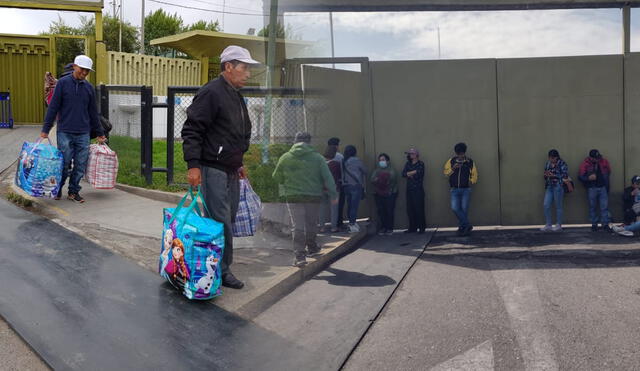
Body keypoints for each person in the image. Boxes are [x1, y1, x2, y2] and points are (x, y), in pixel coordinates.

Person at [181, 45, 260, 289]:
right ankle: (221, 271)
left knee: (229, 216)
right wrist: (194, 166)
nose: (248, 74)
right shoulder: (211, 92)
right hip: (212, 167)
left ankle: (214, 263)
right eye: (244, 68)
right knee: (220, 220)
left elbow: (237, 131)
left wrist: (239, 162)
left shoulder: (235, 94)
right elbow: (192, 130)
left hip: (230, 168)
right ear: (228, 67)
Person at [40, 55, 106, 203]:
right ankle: (57, 189)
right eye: (82, 69)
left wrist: (100, 133)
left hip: (83, 132)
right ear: (75, 66)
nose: (84, 73)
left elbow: (93, 113)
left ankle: (73, 192)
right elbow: (53, 107)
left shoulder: (89, 88)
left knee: (80, 165)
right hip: (65, 131)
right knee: (64, 163)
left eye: (87, 71)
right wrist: (45, 129)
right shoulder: (62, 84)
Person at [272, 132, 338, 267]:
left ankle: (300, 256)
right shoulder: (318, 158)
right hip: (313, 196)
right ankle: (312, 248)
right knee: (311, 223)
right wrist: (333, 195)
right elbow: (328, 178)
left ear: (295, 142)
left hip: (293, 196)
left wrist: (287, 181)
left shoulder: (286, 157)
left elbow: (276, 177)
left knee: (297, 226)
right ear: (309, 143)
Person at [444, 142, 478, 236]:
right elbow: (446, 173)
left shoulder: (469, 161)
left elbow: (474, 173)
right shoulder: (451, 161)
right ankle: (467, 225)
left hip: (466, 189)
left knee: (464, 210)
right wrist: (453, 168)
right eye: (459, 154)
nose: (460, 155)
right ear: (456, 153)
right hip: (454, 189)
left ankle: (463, 228)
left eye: (462, 153)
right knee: (455, 208)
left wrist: (472, 180)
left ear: (464, 152)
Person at [578, 149, 611, 232]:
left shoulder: (604, 161)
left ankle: (605, 224)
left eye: (598, 157)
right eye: (595, 158)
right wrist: (588, 178)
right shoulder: (585, 164)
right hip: (592, 188)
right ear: (591, 158)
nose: (597, 159)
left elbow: (609, 171)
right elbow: (580, 176)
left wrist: (606, 185)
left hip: (603, 187)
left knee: (604, 207)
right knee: (592, 207)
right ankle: (594, 224)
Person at [541, 149, 569, 232]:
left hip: (558, 186)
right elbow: (545, 174)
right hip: (549, 186)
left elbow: (565, 175)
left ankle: (558, 224)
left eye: (553, 158)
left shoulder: (562, 164)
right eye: (550, 158)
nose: (551, 159)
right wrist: (546, 175)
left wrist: (554, 175)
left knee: (558, 206)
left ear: (557, 157)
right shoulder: (548, 164)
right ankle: (548, 224)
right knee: (546, 204)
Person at [342, 145, 367, 233]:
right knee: (354, 206)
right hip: (356, 185)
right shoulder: (356, 160)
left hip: (346, 186)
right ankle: (353, 224)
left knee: (349, 205)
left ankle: (351, 223)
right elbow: (365, 170)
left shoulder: (343, 160)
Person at [372, 153, 398, 235]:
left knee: (389, 211)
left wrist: (380, 179)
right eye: (380, 160)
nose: (381, 162)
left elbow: (392, 180)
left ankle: (390, 228)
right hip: (379, 193)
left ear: (387, 161)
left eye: (383, 160)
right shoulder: (376, 170)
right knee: (381, 211)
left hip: (390, 193)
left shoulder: (392, 170)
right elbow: (372, 180)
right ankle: (383, 228)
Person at [402, 148, 426, 234]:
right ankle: (412, 227)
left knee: (419, 209)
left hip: (418, 190)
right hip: (409, 189)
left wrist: (410, 173)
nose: (410, 155)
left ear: (416, 155)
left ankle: (422, 228)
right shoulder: (408, 164)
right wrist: (412, 172)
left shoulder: (421, 164)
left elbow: (419, 173)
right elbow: (403, 174)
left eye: (411, 154)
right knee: (410, 209)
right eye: (409, 154)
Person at [319, 145, 342, 233]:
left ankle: (321, 227)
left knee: (322, 208)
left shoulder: (320, 163)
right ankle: (333, 227)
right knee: (334, 209)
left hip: (322, 188)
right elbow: (340, 176)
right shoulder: (336, 164)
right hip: (334, 189)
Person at [329, 137, 346, 230]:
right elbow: (342, 171)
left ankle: (323, 226)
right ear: (336, 145)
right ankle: (337, 224)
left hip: (325, 185)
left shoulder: (323, 156)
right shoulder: (339, 156)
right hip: (338, 184)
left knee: (326, 207)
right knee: (338, 205)